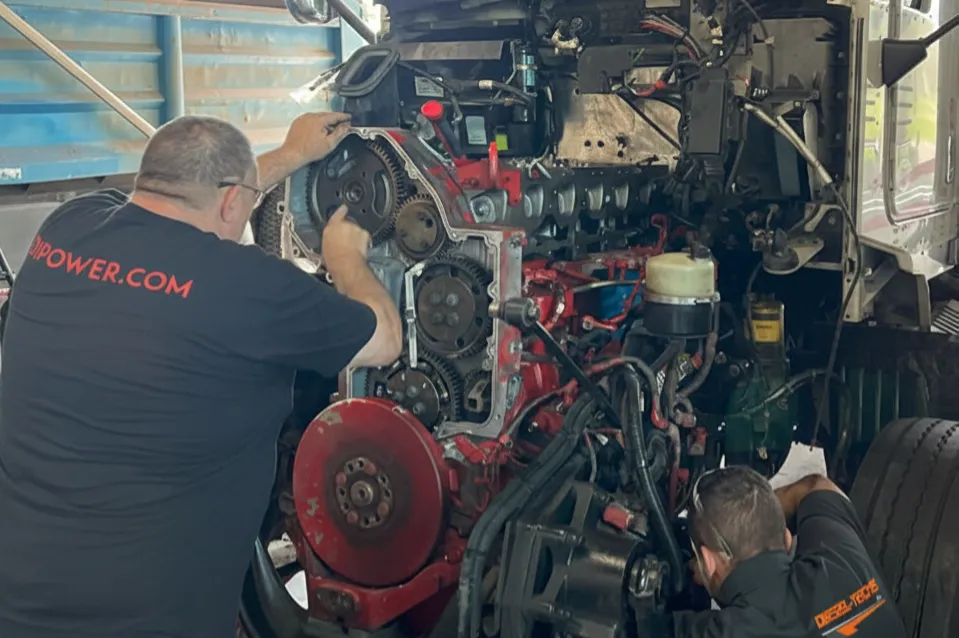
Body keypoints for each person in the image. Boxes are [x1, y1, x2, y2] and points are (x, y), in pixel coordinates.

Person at [0, 112, 403, 638]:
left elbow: (186, 194)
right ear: (234, 200)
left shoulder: (69, 226)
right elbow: (385, 339)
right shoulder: (251, 286)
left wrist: (289, 156)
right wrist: (346, 258)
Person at [673, 466, 908, 637]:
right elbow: (816, 485)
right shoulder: (843, 559)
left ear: (708, 561)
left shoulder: (720, 632)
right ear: (787, 538)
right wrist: (757, 517)